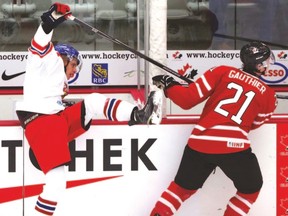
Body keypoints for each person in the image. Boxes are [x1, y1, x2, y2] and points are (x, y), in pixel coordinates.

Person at [15, 3, 162, 216]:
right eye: (74, 64)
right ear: (64, 57)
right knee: (56, 183)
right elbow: (39, 43)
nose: (74, 70)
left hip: (55, 119)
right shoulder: (48, 60)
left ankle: (140, 115)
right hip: (42, 121)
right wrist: (50, 21)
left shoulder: (55, 81)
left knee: (92, 102)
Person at [150, 41, 277, 216]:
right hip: (235, 147)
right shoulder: (269, 95)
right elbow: (254, 124)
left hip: (199, 142)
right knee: (250, 190)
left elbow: (187, 100)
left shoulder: (222, 72)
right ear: (260, 65)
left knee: (180, 189)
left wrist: (170, 85)